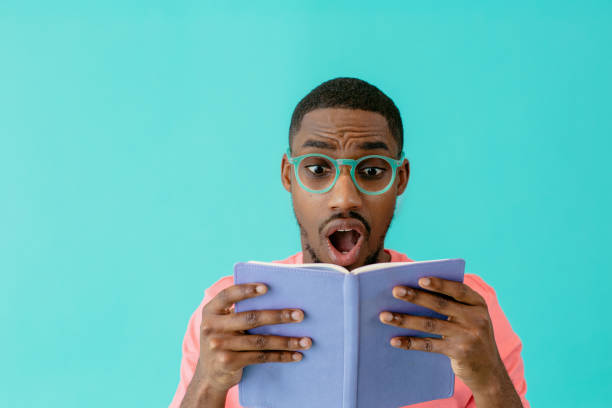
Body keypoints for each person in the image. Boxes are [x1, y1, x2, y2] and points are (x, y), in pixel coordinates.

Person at [169, 78, 529, 408]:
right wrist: (208, 383)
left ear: (400, 179)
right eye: (317, 169)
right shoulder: (226, 314)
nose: (344, 198)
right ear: (288, 175)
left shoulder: (467, 310)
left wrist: (490, 380)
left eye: (371, 171)